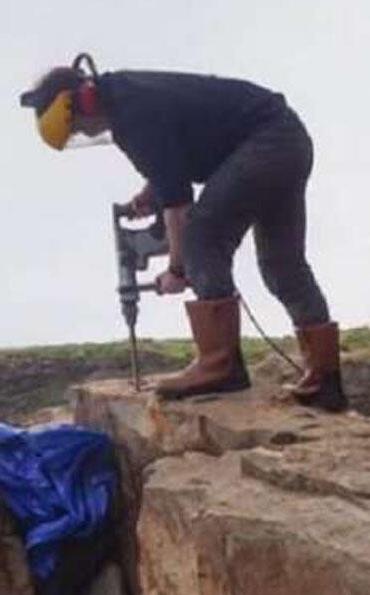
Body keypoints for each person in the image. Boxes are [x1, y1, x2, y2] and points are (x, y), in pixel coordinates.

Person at [20, 54, 347, 412]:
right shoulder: (129, 95)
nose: (85, 133)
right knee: (283, 266)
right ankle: (325, 382)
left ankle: (219, 365)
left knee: (202, 235)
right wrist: (151, 191)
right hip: (288, 139)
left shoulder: (131, 116)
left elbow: (178, 204)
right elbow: (170, 161)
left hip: (265, 142)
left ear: (81, 102)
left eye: (79, 127)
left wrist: (179, 269)